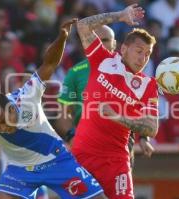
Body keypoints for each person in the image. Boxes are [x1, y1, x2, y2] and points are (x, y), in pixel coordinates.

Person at [0, 18, 107, 199]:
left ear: (13, 109)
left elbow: (49, 64)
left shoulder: (27, 96)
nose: (2, 128)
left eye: (3, 122)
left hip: (56, 160)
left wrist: (62, 37)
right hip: (20, 169)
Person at [71, 4, 159, 198]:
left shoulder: (148, 85)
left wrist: (118, 117)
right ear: (124, 48)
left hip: (116, 161)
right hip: (83, 155)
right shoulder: (102, 59)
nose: (143, 58)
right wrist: (119, 15)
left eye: (148, 54)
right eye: (139, 51)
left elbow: (152, 128)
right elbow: (83, 26)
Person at [55, 25, 154, 160]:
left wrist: (143, 137)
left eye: (105, 40)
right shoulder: (75, 72)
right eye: (97, 39)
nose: (100, 43)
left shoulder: (128, 71)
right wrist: (72, 135)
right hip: (86, 142)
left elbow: (142, 108)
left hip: (120, 143)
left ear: (115, 44)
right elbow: (63, 114)